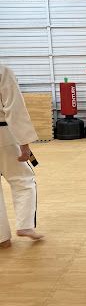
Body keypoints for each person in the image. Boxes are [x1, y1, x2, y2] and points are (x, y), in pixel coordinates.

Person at [0, 64, 43, 249]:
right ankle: (25, 226)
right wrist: (24, 143)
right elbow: (14, 108)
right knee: (23, 179)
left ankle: (2, 238)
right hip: (4, 135)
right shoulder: (2, 70)